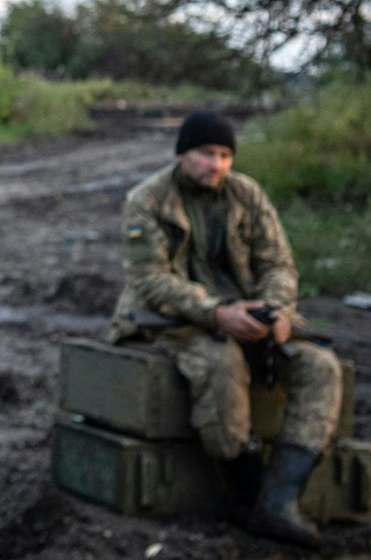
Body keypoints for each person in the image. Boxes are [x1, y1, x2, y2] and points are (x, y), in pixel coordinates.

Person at [106, 111, 341, 547]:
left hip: (250, 316)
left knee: (321, 366)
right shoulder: (147, 199)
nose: (216, 164)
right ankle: (247, 493)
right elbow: (151, 280)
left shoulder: (246, 193)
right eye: (206, 153)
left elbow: (278, 262)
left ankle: (280, 499)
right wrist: (216, 313)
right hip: (174, 321)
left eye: (225, 155)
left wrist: (277, 311)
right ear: (182, 154)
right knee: (221, 365)